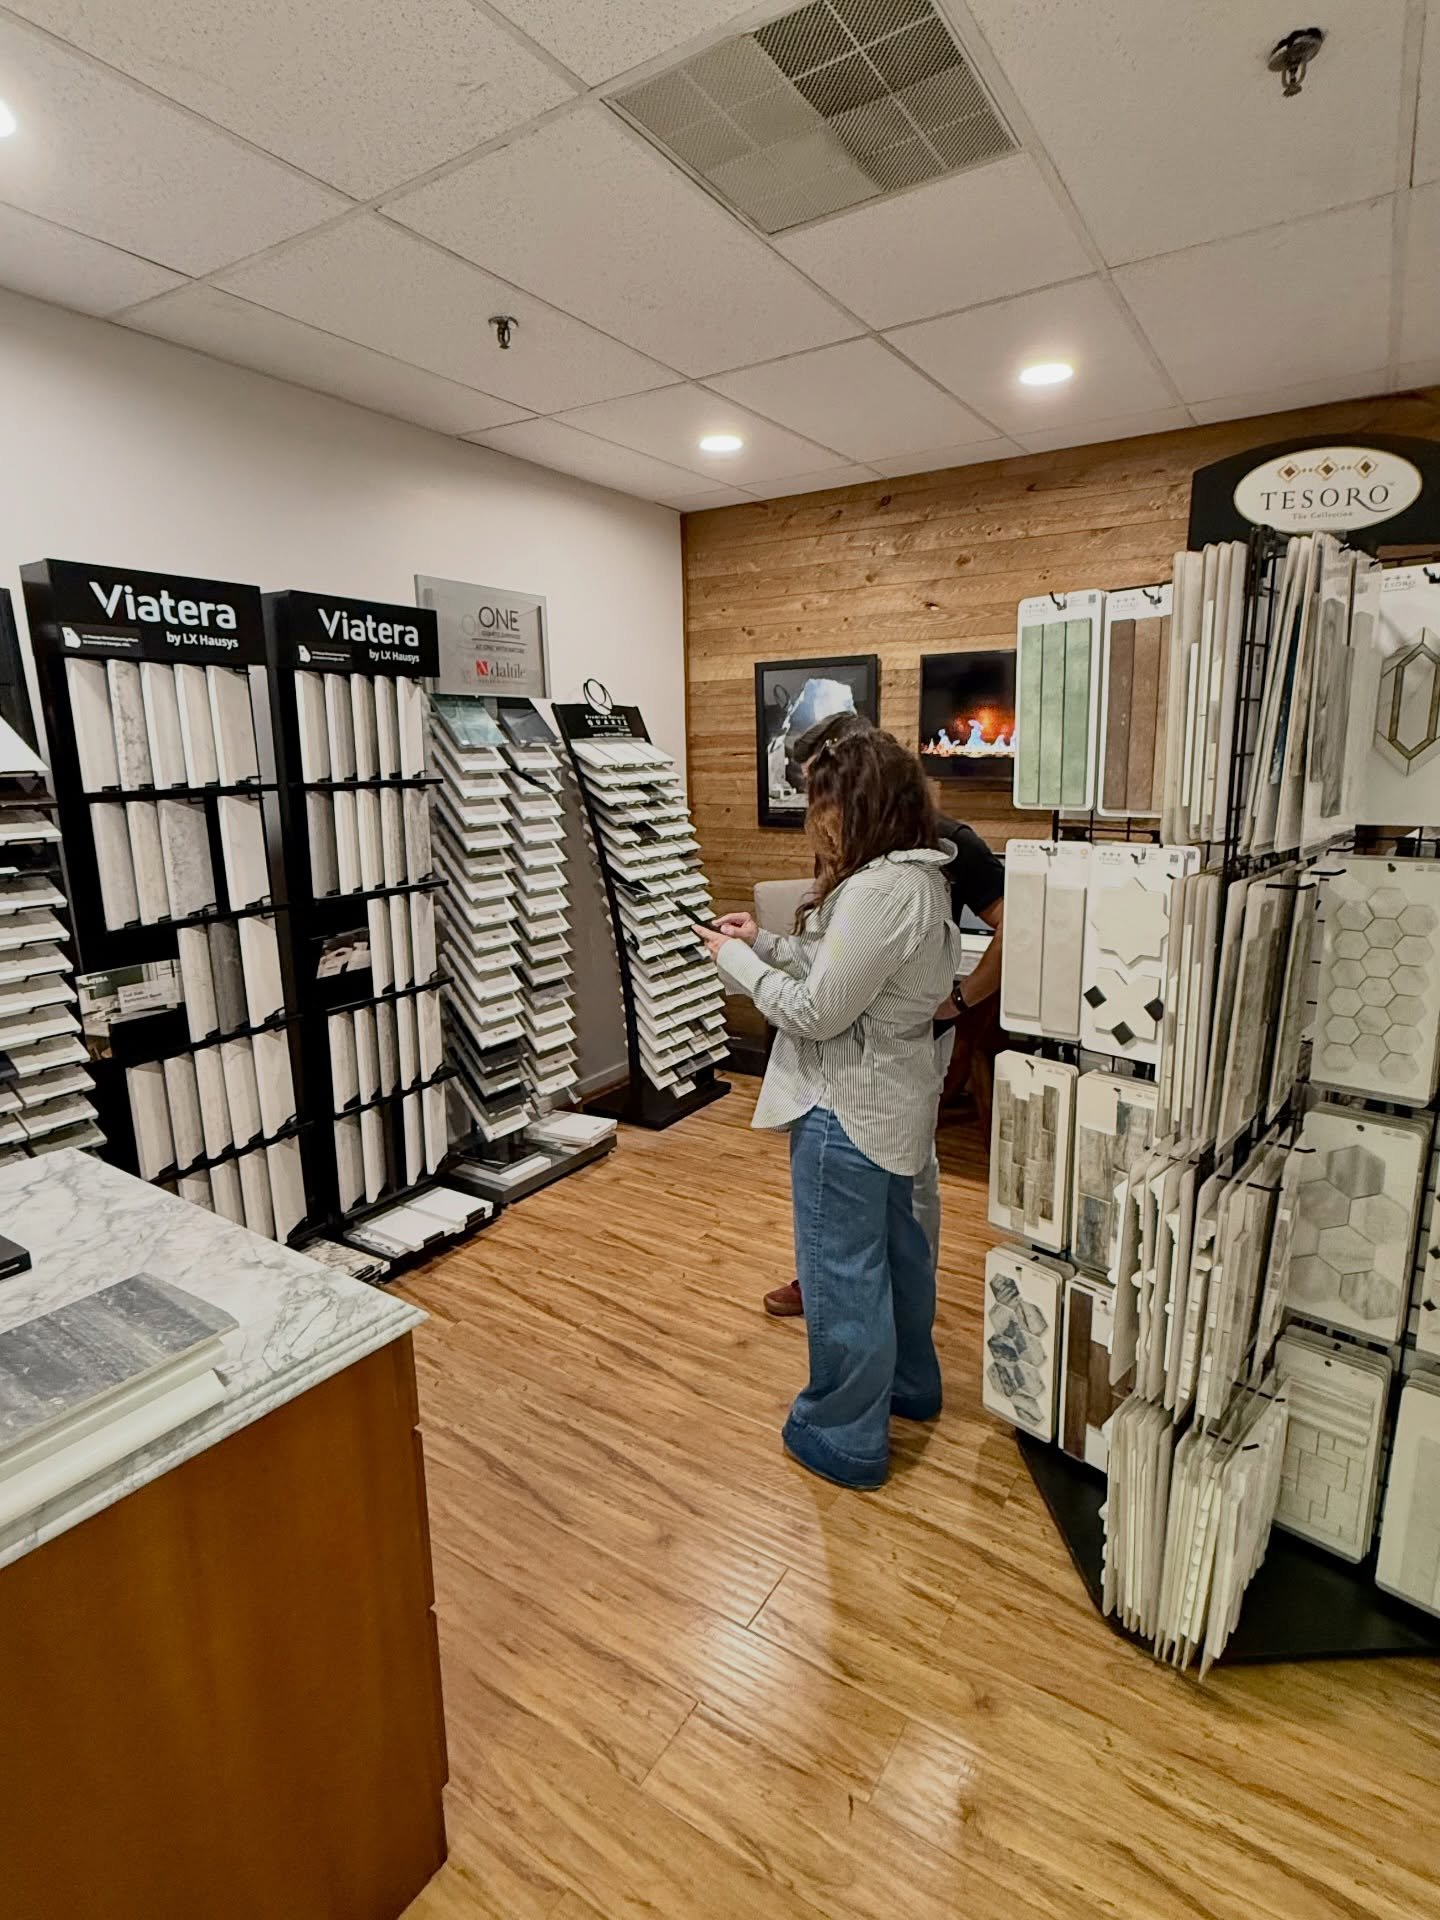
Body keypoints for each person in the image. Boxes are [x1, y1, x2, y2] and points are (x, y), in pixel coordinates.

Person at [698, 728, 962, 1491]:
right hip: (893, 1103)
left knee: (843, 1271)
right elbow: (851, 973)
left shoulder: (879, 889)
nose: (817, 822)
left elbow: (818, 1013)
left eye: (824, 804)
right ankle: (911, 1384)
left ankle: (844, 1433)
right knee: (898, 1256)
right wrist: (769, 944)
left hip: (844, 1106)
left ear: (858, 805)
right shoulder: (917, 878)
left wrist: (736, 964)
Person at [760, 710, 1006, 1317]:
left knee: (909, 1178)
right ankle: (837, 1280)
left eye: (824, 789)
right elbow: (839, 950)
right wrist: (771, 948)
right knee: (854, 1204)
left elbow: (1018, 925)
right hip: (857, 1043)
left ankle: (885, 1296)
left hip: (905, 1034)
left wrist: (959, 999)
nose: (817, 813)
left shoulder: (935, 854)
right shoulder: (862, 846)